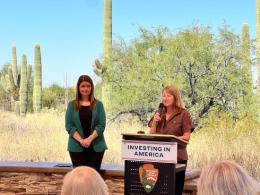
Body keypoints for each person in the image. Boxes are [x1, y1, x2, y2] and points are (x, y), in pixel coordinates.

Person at [149, 85, 193, 195]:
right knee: (159, 191)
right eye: (163, 96)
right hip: (160, 157)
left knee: (175, 191)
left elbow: (187, 136)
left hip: (178, 157)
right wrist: (154, 121)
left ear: (175, 98)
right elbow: (152, 133)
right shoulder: (159, 113)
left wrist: (172, 139)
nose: (165, 98)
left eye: (169, 96)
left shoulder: (183, 113)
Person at [65, 75, 107, 171]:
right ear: (78, 88)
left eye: (88, 86)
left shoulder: (99, 105)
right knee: (79, 178)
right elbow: (69, 126)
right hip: (76, 147)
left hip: (96, 147)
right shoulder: (72, 105)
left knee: (93, 177)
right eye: (83, 86)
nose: (86, 88)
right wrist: (81, 140)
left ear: (91, 87)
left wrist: (89, 139)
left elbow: (101, 125)